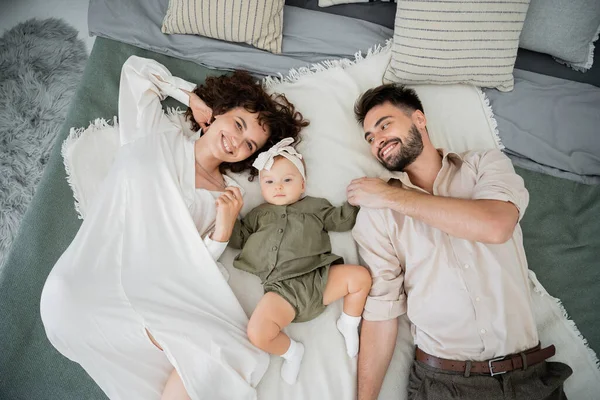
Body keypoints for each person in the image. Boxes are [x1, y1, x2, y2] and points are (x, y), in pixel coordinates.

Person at [40, 55, 308, 400]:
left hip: (154, 287)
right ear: (219, 112)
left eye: (249, 145)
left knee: (218, 350)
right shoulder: (154, 134)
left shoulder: (227, 195)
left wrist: (223, 230)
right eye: (239, 125)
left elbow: (193, 261)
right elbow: (136, 72)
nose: (237, 143)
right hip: (89, 277)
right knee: (74, 307)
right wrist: (191, 96)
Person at [346, 83, 572, 400]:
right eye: (370, 138)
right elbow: (382, 313)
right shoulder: (377, 215)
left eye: (384, 125)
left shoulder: (484, 165)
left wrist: (390, 195)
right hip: (446, 385)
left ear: (419, 120)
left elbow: (496, 225)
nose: (377, 141)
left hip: (530, 379)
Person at [224, 139, 372, 385]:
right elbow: (238, 239)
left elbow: (341, 221)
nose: (278, 187)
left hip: (319, 278)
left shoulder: (314, 206)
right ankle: (292, 352)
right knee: (257, 333)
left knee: (361, 277)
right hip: (281, 292)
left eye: (287, 180)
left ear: (302, 184)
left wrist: (356, 201)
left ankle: (348, 321)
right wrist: (228, 216)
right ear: (261, 187)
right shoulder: (258, 215)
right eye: (269, 182)